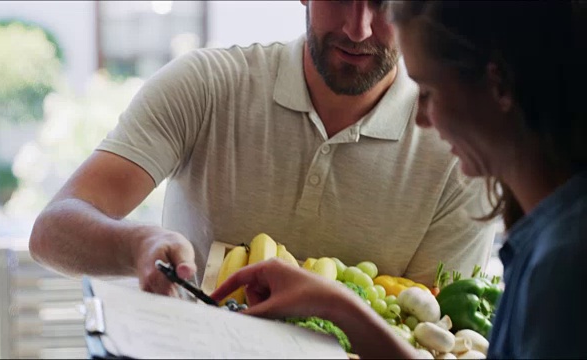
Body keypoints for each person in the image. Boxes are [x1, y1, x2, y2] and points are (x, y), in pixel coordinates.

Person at [28, 0, 496, 296]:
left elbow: (429, 333)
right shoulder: (206, 86)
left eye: (381, 3)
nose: (358, 27)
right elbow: (52, 231)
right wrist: (137, 245)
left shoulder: (458, 148)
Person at [212, 1, 587, 358]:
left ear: (499, 86)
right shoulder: (551, 238)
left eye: (427, 91)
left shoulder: (563, 266)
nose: (422, 119)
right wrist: (335, 305)